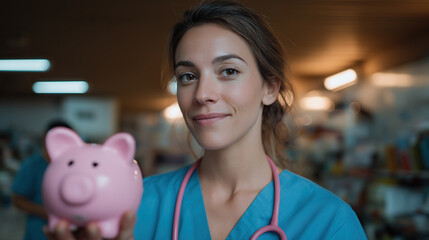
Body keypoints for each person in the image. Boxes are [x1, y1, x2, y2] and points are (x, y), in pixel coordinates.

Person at [46, 1, 367, 239]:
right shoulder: (133, 204)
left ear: (270, 88)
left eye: (228, 71)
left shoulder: (327, 220)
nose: (202, 94)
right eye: (187, 76)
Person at [12, 120, 74, 240]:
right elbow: (17, 200)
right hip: (39, 231)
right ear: (45, 140)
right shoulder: (31, 166)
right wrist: (46, 212)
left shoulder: (74, 167)